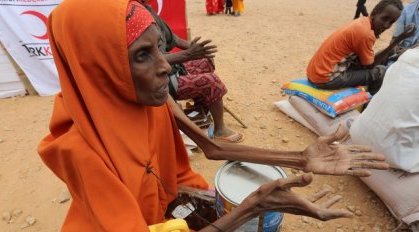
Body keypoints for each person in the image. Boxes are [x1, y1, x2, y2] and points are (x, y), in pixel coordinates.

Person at [38, 0, 389, 230]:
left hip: (163, 208)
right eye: (142, 56)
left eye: (160, 48)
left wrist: (301, 158)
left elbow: (211, 147)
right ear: (97, 66)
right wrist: (249, 209)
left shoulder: (150, 99)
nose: (165, 67)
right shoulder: (79, 149)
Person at [142, 0, 245, 143]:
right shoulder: (134, 20)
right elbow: (153, 61)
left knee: (204, 62)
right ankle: (219, 130)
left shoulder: (147, 10)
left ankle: (199, 112)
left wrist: (201, 51)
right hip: (159, 80)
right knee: (212, 81)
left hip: (172, 70)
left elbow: (175, 40)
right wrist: (188, 55)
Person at [306, 0, 413, 96]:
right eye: (384, 18)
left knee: (384, 54)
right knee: (381, 71)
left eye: (391, 22)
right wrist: (398, 40)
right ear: (375, 13)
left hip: (317, 72)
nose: (386, 25)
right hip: (326, 78)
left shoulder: (363, 22)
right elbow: (370, 66)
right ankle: (368, 105)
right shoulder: (365, 33)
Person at [386, 0, 419, 64]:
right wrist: (395, 47)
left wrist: (408, 51)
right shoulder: (406, 10)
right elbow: (395, 39)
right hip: (398, 56)